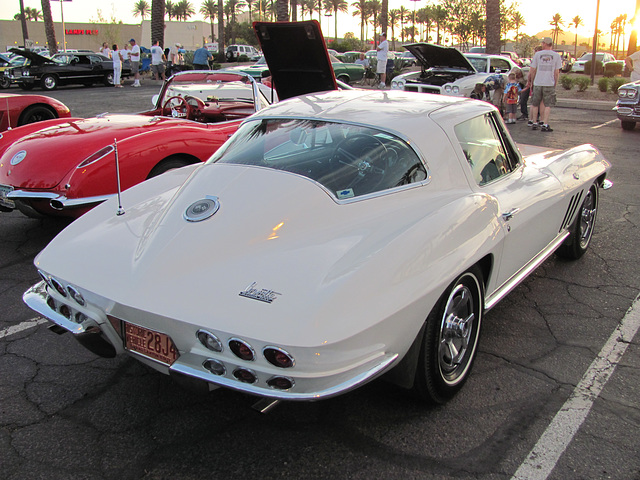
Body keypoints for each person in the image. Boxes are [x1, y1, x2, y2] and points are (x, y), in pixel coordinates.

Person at [527, 37, 562, 132]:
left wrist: (532, 81)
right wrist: (555, 82)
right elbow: (556, 72)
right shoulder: (556, 56)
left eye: (542, 43)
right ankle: (545, 123)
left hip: (538, 82)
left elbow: (533, 69)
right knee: (547, 104)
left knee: (535, 103)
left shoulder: (538, 55)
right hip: (549, 83)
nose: (541, 45)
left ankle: (534, 122)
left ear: (545, 44)